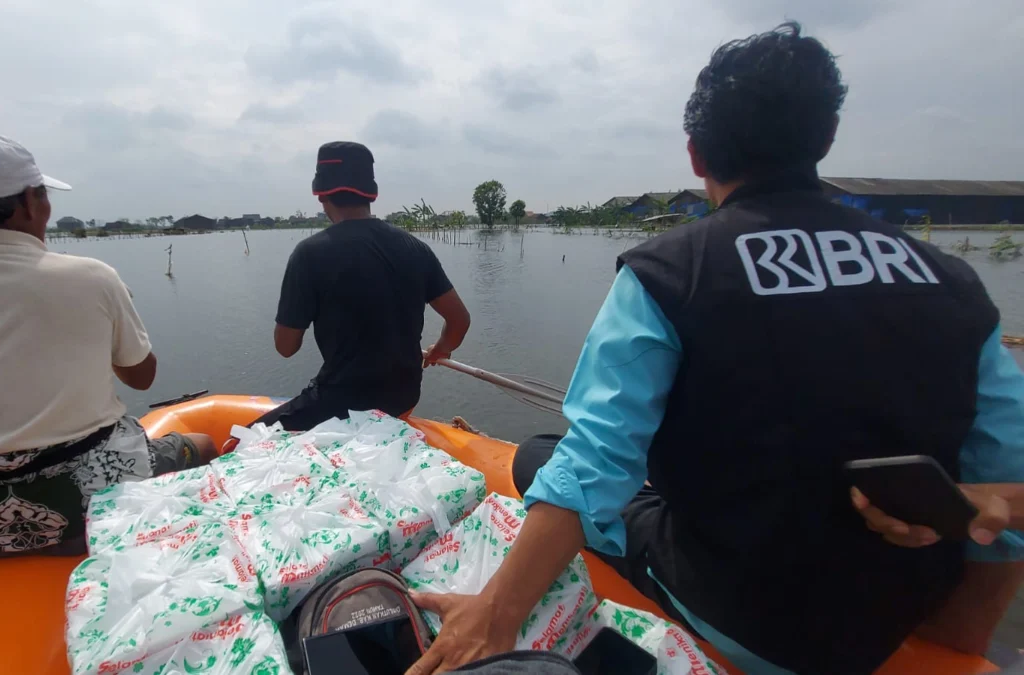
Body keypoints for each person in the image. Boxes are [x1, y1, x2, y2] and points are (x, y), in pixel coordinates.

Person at [408, 23, 1024, 675]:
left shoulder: (672, 271)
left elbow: (591, 467)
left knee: (540, 456)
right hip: (893, 611)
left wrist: (495, 614)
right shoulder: (954, 281)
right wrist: (956, 648)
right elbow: (1003, 495)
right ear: (824, 138)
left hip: (747, 617)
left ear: (697, 155)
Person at [0, 128, 217, 557]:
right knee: (202, 445)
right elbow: (142, 376)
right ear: (32, 203)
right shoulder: (90, 277)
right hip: (96, 508)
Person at [253, 141, 470, 431]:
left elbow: (286, 347)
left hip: (341, 407)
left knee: (237, 442)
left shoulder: (309, 254)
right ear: (371, 194)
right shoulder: (415, 247)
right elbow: (459, 320)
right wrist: (441, 348)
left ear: (321, 195)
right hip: (403, 400)